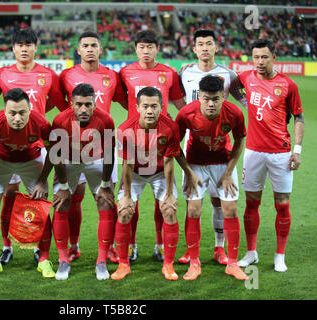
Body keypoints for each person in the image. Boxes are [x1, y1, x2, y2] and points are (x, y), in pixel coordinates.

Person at [0, 28, 67, 265]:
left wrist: (41, 121)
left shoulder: (48, 75)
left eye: (29, 44)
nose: (24, 49)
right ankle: (6, 247)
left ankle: (39, 248)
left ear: (36, 47)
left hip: (36, 146)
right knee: (9, 195)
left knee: (39, 198)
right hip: (7, 146)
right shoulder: (2, 74)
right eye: (20, 45)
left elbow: (62, 105)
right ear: (13, 48)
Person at [177, 29, 248, 265]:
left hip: (221, 145)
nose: (205, 48)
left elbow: (242, 100)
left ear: (216, 48)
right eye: (200, 44)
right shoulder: (185, 72)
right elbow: (178, 99)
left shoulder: (228, 74)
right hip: (193, 140)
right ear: (194, 48)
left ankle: (220, 248)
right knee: (192, 204)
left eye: (209, 44)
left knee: (220, 202)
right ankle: (191, 251)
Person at [58, 31, 127, 264]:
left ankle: (109, 248)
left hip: (102, 147)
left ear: (100, 49)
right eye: (85, 45)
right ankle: (74, 245)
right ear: (78, 50)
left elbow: (128, 102)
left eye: (94, 45)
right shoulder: (66, 75)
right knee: (73, 198)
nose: (89, 49)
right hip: (73, 149)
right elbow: (60, 105)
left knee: (106, 199)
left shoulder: (111, 76)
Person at [0, 88, 54, 279]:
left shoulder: (41, 123)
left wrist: (42, 180)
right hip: (1, 159)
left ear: (30, 109)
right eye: (12, 113)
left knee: (41, 205)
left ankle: (44, 260)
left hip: (31, 159)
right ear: (4, 111)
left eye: (22, 112)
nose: (17, 118)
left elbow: (54, 152)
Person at [237, 39, 304, 272]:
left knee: (282, 205)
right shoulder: (246, 77)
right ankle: (251, 253)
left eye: (264, 57)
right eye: (256, 57)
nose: (260, 62)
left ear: (274, 57)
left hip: (281, 155)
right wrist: (246, 103)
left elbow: (299, 118)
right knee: (251, 203)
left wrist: (297, 150)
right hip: (253, 152)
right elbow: (233, 85)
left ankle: (279, 256)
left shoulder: (288, 85)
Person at [119, 29, 185, 262]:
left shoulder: (168, 72)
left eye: (150, 47)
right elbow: (119, 97)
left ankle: (160, 244)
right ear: (135, 48)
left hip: (161, 142)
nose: (146, 51)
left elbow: (180, 103)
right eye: (141, 47)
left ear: (157, 48)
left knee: (164, 203)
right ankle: (131, 245)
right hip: (134, 143)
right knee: (129, 205)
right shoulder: (125, 72)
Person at [48, 83, 116, 281]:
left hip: (95, 160)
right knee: (62, 203)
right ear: (72, 104)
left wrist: (105, 186)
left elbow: (110, 154)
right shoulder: (60, 120)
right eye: (79, 105)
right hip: (68, 161)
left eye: (88, 104)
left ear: (95, 104)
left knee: (105, 202)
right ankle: (63, 259)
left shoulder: (105, 120)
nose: (84, 109)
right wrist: (62, 187)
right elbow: (56, 156)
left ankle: (101, 260)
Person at [112, 87, 180, 281]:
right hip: (136, 174)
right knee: (124, 211)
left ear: (161, 107)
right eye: (145, 106)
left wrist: (169, 193)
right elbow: (128, 164)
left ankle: (168, 264)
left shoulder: (171, 127)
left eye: (154, 106)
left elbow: (168, 162)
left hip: (159, 172)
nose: (150, 111)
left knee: (169, 210)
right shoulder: (125, 130)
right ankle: (123, 264)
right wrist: (126, 197)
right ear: (137, 108)